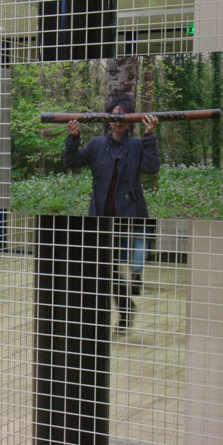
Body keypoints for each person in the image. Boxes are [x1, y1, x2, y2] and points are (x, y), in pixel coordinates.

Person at [63, 94, 160, 332]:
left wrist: (149, 136)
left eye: (124, 117)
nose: (119, 121)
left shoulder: (136, 146)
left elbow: (151, 168)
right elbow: (71, 161)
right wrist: (73, 138)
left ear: (130, 121)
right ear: (108, 118)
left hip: (128, 216)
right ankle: (122, 309)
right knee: (103, 267)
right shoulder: (97, 144)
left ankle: (122, 308)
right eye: (115, 116)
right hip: (100, 217)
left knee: (109, 265)